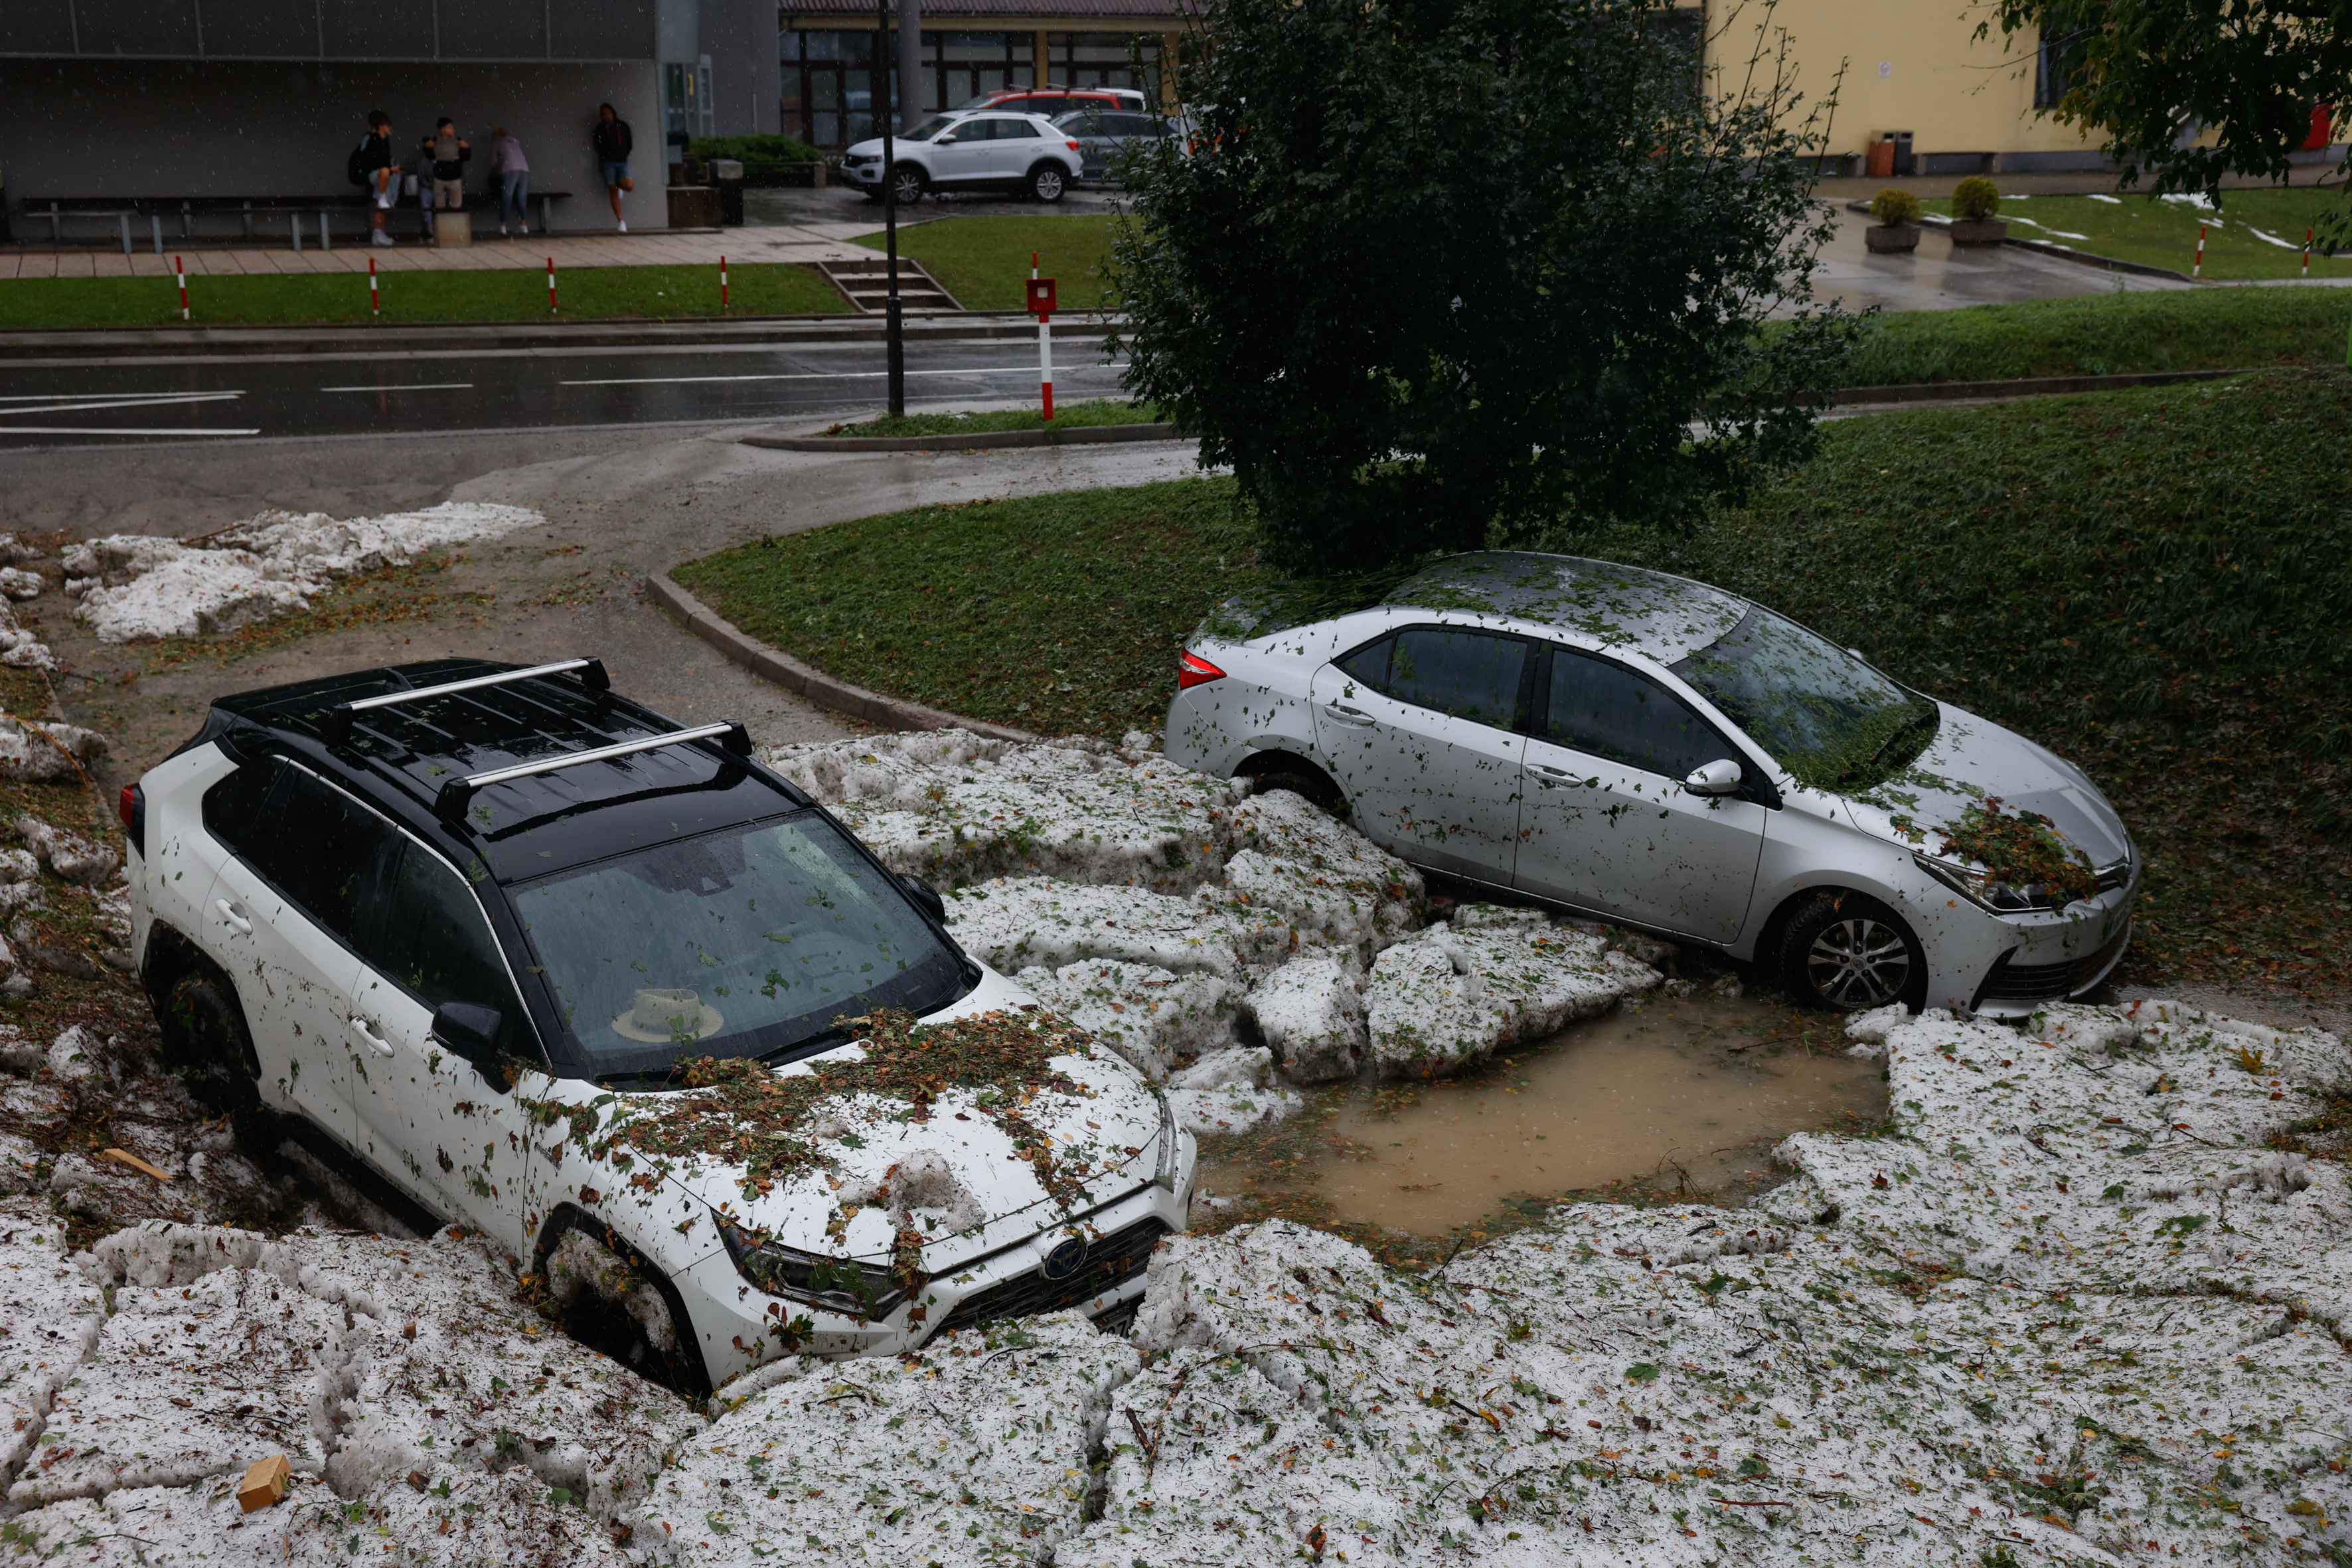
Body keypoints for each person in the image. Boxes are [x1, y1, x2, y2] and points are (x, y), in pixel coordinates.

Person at [353, 110, 398, 247]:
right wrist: (389, 169)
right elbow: (368, 159)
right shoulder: (371, 139)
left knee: (379, 204)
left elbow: (385, 160)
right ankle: (378, 232)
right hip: (374, 176)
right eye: (387, 125)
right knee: (380, 198)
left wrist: (392, 166)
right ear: (380, 126)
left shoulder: (386, 141)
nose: (390, 128)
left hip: (383, 178)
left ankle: (379, 233)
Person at [593, 103, 634, 232]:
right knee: (612, 190)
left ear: (613, 113)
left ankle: (620, 184)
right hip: (607, 162)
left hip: (621, 161)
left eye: (608, 113)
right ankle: (621, 221)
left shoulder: (622, 126)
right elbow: (596, 145)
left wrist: (622, 153)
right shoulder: (599, 129)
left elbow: (629, 144)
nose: (606, 116)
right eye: (603, 114)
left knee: (629, 185)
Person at [489, 127, 530, 237]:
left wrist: (493, 173)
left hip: (510, 170)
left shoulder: (497, 143)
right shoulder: (515, 143)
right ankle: (523, 225)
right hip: (524, 169)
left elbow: (494, 162)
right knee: (521, 197)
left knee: (507, 197)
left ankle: (503, 226)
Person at [425, 118, 470, 217]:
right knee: (439, 207)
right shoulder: (435, 141)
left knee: (456, 206)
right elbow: (430, 157)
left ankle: (454, 228)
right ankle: (441, 228)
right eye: (449, 127)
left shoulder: (458, 141)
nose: (453, 130)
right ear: (442, 129)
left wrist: (467, 148)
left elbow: (466, 157)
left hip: (455, 177)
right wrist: (427, 148)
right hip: (440, 178)